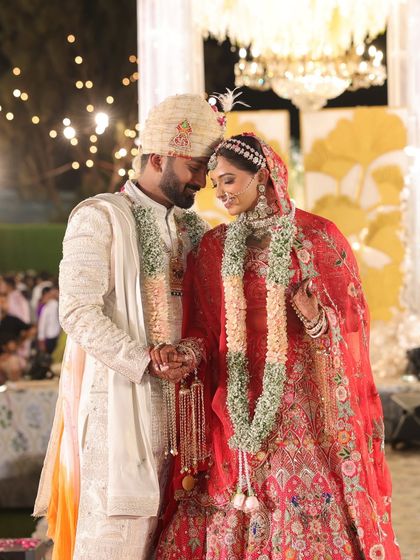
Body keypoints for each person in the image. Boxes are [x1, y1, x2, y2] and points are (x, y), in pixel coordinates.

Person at [155, 134, 401, 560]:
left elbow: (354, 324)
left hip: (303, 407)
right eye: (215, 184)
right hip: (235, 408)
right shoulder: (213, 249)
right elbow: (206, 332)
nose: (221, 193)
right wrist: (186, 354)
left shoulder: (317, 238)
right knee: (233, 499)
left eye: (229, 180)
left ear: (262, 176)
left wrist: (315, 318)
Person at [33, 93, 225, 560]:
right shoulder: (98, 217)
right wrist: (145, 360)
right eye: (194, 167)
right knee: (116, 542)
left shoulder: (193, 229)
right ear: (158, 158)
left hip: (187, 419)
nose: (202, 180)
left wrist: (191, 353)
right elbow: (77, 310)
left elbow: (208, 315)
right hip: (120, 413)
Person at [37, 286, 60, 354]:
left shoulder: (52, 304)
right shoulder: (50, 305)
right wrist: (41, 339)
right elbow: (42, 323)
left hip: (52, 335)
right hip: (51, 336)